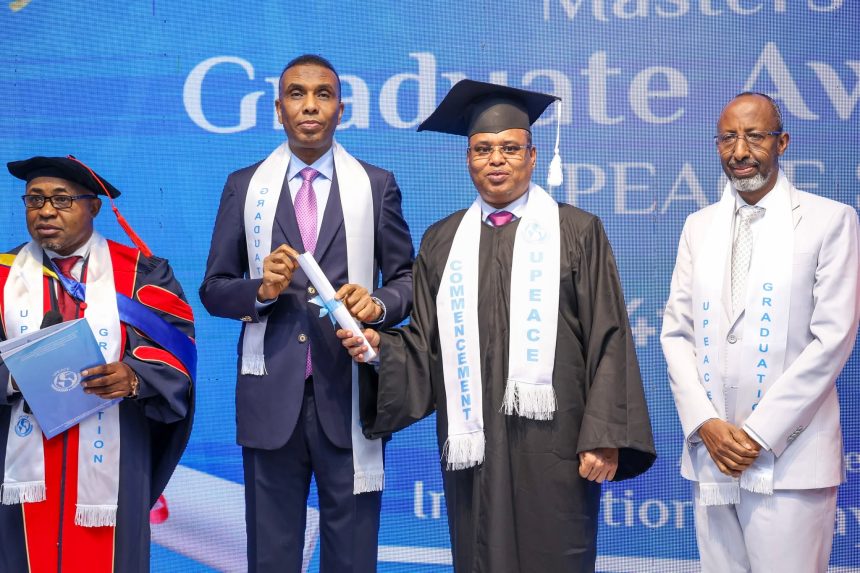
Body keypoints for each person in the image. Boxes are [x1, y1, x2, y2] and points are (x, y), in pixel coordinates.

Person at [339, 79, 656, 573]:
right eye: (483, 149)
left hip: (556, 442)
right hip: (475, 443)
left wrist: (604, 434)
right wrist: (382, 348)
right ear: (468, 159)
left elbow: (609, 337)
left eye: (510, 148)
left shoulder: (577, 231)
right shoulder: (443, 241)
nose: (496, 160)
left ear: (532, 156)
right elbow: (426, 346)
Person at [199, 54, 413, 573]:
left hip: (351, 394)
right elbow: (214, 289)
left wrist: (378, 304)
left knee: (352, 558)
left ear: (342, 109)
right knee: (271, 558)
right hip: (270, 400)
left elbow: (407, 281)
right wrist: (261, 290)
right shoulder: (245, 186)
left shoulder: (376, 185)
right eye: (296, 94)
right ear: (279, 109)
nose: (310, 105)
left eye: (323, 94)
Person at [661, 92, 860, 573]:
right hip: (713, 456)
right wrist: (705, 423)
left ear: (782, 142)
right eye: (727, 138)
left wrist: (757, 433)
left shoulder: (829, 220)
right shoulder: (698, 226)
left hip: (791, 460)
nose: (740, 151)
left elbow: (832, 340)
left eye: (754, 136)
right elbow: (677, 335)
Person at [0, 156, 196, 572]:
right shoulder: (2, 276)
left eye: (62, 199)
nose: (46, 211)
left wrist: (134, 378)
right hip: (19, 461)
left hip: (117, 451)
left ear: (94, 207)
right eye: (34, 199)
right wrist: (16, 377)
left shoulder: (142, 274)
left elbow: (176, 351)